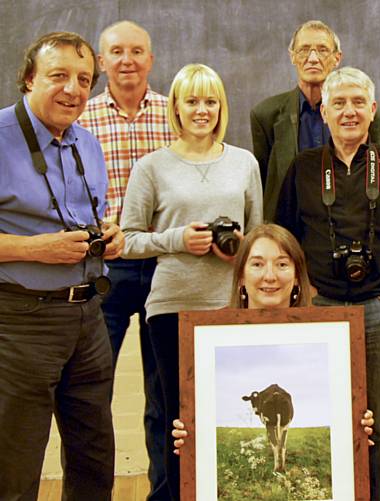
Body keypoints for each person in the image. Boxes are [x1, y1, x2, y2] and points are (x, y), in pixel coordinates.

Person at [276, 67, 380, 501]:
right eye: (339, 103)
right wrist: (301, 297)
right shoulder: (303, 167)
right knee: (322, 418)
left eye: (358, 102)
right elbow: (283, 235)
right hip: (319, 309)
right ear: (323, 112)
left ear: (373, 110)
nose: (349, 112)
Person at [120, 62, 262, 501]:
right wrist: (178, 239)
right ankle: (170, 494)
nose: (202, 110)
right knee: (175, 414)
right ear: (176, 109)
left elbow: (259, 236)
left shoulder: (244, 162)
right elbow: (126, 240)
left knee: (227, 409)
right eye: (192, 101)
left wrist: (237, 247)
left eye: (211, 101)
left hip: (229, 305)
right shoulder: (152, 167)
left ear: (222, 107)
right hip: (171, 307)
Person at [0, 32, 125, 500]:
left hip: (88, 318)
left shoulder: (88, 145)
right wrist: (36, 249)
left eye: (83, 79)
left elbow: (89, 217)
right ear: (29, 79)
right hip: (19, 323)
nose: (73, 89)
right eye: (58, 76)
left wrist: (111, 237)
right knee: (15, 464)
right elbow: (44, 243)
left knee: (95, 459)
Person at [171, 223, 375, 452]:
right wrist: (188, 434)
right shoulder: (206, 337)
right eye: (257, 264)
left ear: (298, 276)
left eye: (282, 264)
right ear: (240, 276)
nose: (270, 276)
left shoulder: (330, 336)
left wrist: (354, 428)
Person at [77, 20, 173, 499]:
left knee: (164, 397)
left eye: (137, 51)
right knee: (93, 394)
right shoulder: (82, 119)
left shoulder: (174, 115)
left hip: (163, 269)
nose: (127, 60)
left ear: (151, 60)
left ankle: (163, 492)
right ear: (102, 61)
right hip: (105, 272)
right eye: (117, 51)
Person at [250, 19, 380, 221]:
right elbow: (264, 183)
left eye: (322, 50)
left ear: (337, 58)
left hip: (349, 222)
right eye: (304, 50)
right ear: (292, 57)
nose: (312, 58)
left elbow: (373, 170)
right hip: (290, 228)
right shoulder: (266, 115)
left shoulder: (362, 114)